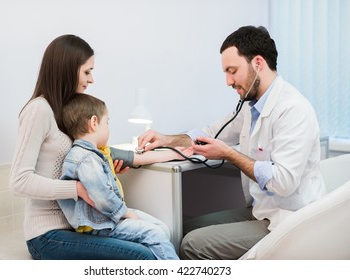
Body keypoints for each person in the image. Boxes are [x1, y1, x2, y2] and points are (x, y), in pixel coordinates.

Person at [137, 25, 326, 260]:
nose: (228, 81)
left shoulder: (293, 109)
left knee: (193, 245)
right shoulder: (251, 107)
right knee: (183, 229)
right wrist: (167, 138)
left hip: (289, 221)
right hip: (263, 212)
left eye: (232, 70)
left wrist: (229, 154)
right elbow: (210, 132)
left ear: (257, 63)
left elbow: (283, 182)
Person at [9, 34, 158, 260]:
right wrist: (78, 189)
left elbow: (69, 165)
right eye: (87, 71)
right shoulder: (38, 110)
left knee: (160, 235)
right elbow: (19, 182)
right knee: (142, 256)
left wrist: (102, 170)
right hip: (47, 235)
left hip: (78, 226)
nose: (91, 79)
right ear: (67, 69)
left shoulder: (64, 110)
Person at [58, 93, 193, 260]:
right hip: (101, 223)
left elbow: (138, 158)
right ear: (94, 123)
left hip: (109, 216)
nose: (108, 128)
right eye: (106, 122)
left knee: (162, 228)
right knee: (155, 234)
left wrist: (175, 154)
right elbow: (101, 196)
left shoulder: (99, 153)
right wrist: (125, 213)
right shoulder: (85, 158)